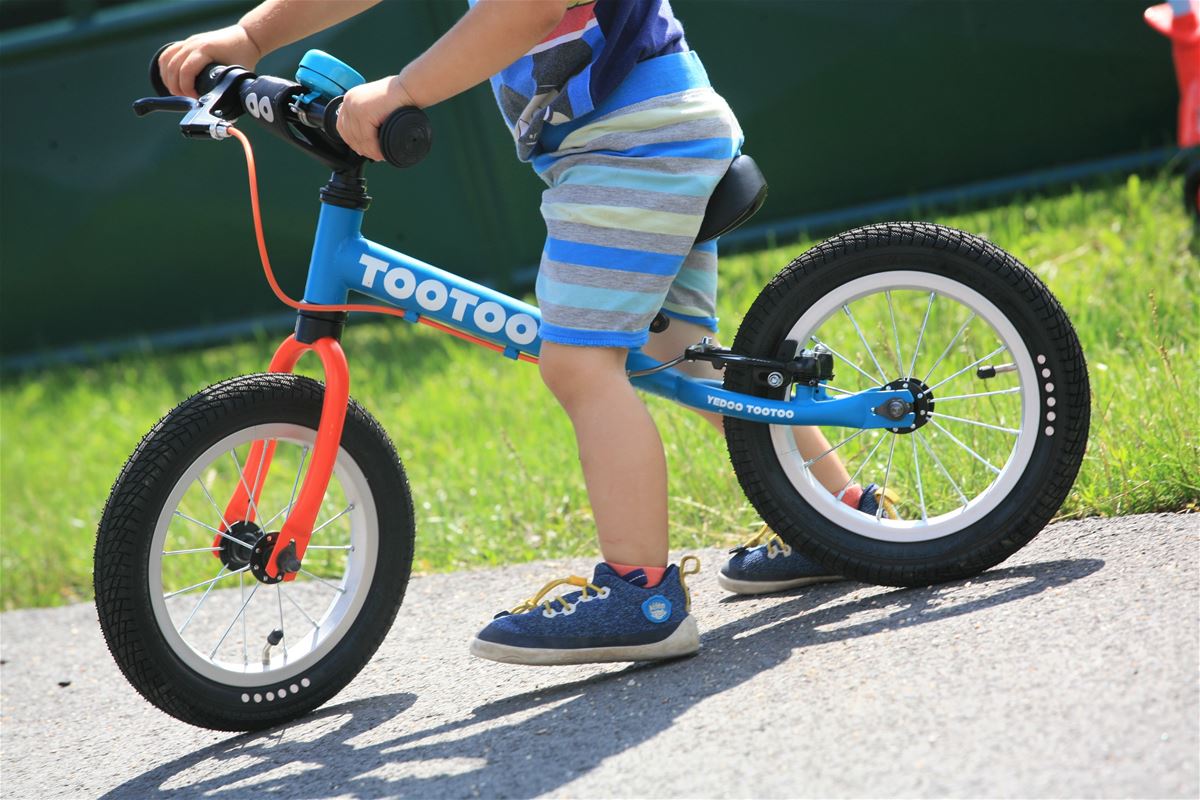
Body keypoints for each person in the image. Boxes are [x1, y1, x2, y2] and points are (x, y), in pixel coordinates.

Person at [159, 0, 895, 666]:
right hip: (639, 136)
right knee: (681, 361)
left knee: (579, 366)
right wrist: (249, 34)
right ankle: (841, 513)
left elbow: (531, 7)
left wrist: (403, 90)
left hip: (634, 146)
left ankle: (642, 594)